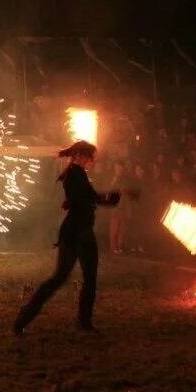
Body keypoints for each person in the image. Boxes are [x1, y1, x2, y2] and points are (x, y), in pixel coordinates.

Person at [13, 141, 122, 335]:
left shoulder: (74, 174)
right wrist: (106, 199)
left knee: (60, 277)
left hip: (73, 231)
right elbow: (86, 198)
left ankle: (25, 317)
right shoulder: (76, 174)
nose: (92, 161)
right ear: (80, 156)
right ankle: (83, 322)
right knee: (88, 279)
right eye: (90, 157)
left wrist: (107, 199)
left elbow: (85, 197)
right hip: (81, 232)